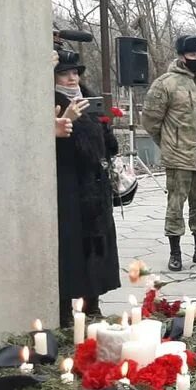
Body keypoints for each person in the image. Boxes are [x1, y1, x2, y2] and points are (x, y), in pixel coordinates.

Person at [142, 35, 196, 271]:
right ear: (181, 56)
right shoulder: (165, 84)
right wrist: (168, 143)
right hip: (179, 158)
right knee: (175, 205)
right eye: (192, 55)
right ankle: (175, 252)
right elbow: (150, 120)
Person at [53, 49, 121, 326]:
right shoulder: (54, 103)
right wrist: (69, 120)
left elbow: (108, 147)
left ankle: (93, 303)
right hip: (69, 185)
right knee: (71, 248)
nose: (72, 78)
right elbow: (58, 148)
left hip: (95, 187)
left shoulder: (88, 100)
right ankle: (66, 312)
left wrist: (106, 124)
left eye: (75, 73)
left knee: (98, 246)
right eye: (65, 74)